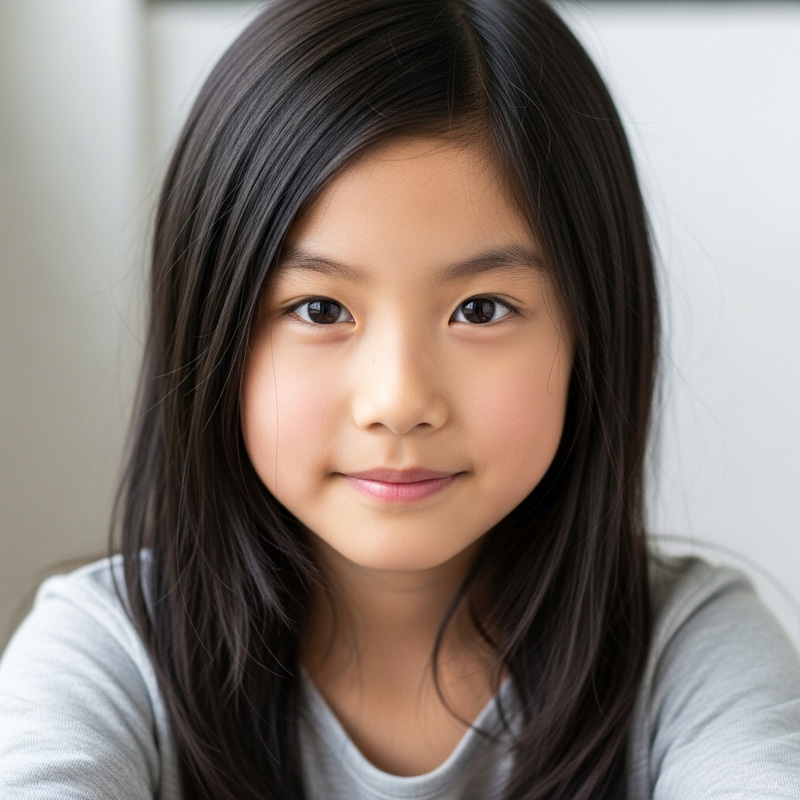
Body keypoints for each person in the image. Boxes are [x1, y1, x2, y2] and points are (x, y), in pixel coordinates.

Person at [1, 0, 798, 798]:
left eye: (479, 310)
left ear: (594, 330)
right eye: (321, 310)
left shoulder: (691, 654)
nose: (398, 401)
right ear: (213, 326)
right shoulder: (106, 656)